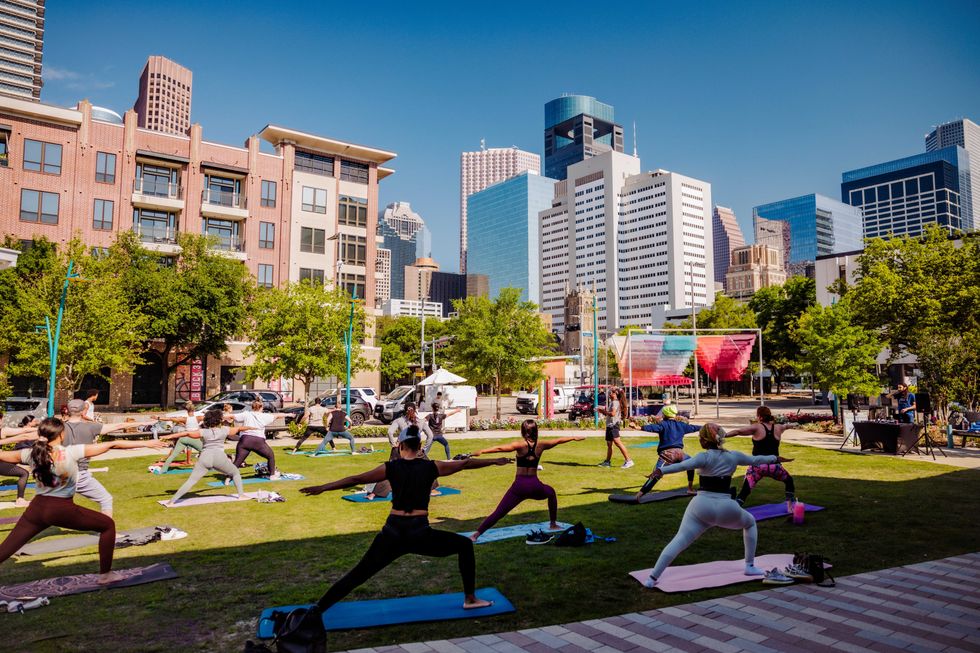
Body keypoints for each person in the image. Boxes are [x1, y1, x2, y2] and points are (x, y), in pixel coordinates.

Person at [300, 426, 509, 613]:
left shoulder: (390, 467)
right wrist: (494, 461)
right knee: (464, 545)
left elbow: (357, 479)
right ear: (420, 447)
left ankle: (317, 610)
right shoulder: (431, 467)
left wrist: (322, 488)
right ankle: (470, 599)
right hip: (419, 533)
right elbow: (465, 463)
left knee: (357, 574)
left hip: (392, 532)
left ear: (400, 446)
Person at [0, 417, 165, 584]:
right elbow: (112, 444)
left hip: (36, 509)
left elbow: (1, 454)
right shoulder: (71, 452)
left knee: (6, 548)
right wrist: (147, 443)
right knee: (108, 525)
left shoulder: (30, 454)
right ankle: (105, 575)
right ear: (61, 434)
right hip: (61, 509)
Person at [640, 423, 792, 588]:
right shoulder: (733, 456)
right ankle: (749, 566)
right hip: (727, 507)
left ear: (704, 441)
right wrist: (775, 458)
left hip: (701, 507)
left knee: (679, 540)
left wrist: (661, 471)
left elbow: (682, 466)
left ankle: (652, 578)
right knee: (749, 522)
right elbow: (756, 460)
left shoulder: (702, 457)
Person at [469, 420, 584, 541]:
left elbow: (499, 448)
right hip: (535, 485)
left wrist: (482, 451)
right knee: (551, 492)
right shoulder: (542, 445)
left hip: (519, 486)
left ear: (523, 431)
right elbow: (558, 441)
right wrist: (573, 437)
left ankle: (476, 534)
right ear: (536, 431)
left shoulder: (520, 445)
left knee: (499, 512)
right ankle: (553, 524)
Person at [63, 398, 156, 517]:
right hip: (80, 475)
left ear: (68, 411)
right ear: (83, 411)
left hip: (60, 474)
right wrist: (142, 423)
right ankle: (107, 531)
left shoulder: (58, 428)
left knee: (46, 502)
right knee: (105, 499)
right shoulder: (91, 427)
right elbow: (119, 425)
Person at [162, 409, 252, 505]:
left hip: (205, 458)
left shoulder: (203, 431)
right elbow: (239, 429)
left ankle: (171, 501)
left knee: (191, 481)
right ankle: (241, 495)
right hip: (219, 458)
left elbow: (187, 433)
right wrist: (253, 428)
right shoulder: (225, 429)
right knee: (235, 472)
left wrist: (170, 436)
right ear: (219, 420)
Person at [726, 406, 797, 510]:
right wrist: (794, 425)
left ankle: (734, 508)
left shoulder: (757, 427)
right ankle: (790, 506)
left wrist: (724, 436)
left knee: (746, 489)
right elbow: (786, 426)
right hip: (774, 467)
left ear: (759, 416)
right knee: (789, 480)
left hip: (758, 466)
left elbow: (738, 431)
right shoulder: (778, 427)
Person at [637, 404, 699, 496]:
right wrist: (709, 427)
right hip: (680, 454)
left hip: (667, 455)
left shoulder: (662, 424)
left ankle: (639, 495)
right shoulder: (681, 425)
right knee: (691, 465)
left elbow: (652, 427)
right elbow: (695, 428)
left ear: (665, 415)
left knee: (656, 475)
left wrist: (639, 427)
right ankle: (690, 488)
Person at [232, 400, 291, 480]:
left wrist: (218, 416)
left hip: (245, 440)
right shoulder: (264, 415)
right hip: (258, 441)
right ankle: (272, 475)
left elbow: (231, 416)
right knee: (270, 456)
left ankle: (228, 479)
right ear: (261, 408)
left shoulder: (246, 414)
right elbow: (277, 415)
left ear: (252, 407)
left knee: (238, 461)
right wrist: (289, 414)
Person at [154, 401, 202, 473]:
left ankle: (163, 470)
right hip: (194, 438)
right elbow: (212, 417)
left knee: (173, 455)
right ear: (194, 410)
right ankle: (209, 466)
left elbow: (170, 419)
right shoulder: (198, 418)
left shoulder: (184, 419)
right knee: (205, 451)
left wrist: (158, 418)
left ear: (186, 410)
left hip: (184, 438)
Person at [0, 424, 39, 507]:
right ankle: (20, 500)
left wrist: (39, 428)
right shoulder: (3, 431)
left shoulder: (3, 431)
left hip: (1, 460)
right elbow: (24, 435)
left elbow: (24, 431)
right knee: (24, 473)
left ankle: (20, 499)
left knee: (23, 473)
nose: (0, 423)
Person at [597, 388, 634, 469]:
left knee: (618, 442)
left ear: (615, 394)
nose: (609, 394)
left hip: (613, 425)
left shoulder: (615, 402)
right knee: (609, 444)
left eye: (611, 393)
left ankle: (629, 461)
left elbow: (613, 414)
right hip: (610, 425)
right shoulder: (614, 402)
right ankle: (607, 462)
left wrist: (603, 412)